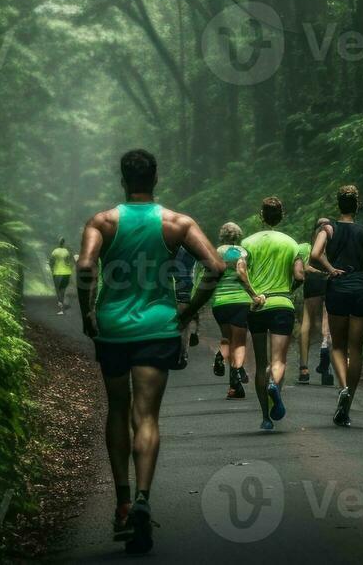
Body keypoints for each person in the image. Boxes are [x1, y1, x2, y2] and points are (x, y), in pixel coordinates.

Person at [77, 149, 222, 553]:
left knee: (118, 409)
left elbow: (86, 266)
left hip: (112, 329)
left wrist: (89, 311)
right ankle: (143, 497)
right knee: (147, 417)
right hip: (158, 328)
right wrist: (189, 309)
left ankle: (122, 504)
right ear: (155, 177)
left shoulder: (102, 222)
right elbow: (215, 266)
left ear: (122, 179)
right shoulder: (177, 223)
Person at [313, 185, 363, 426]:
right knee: (356, 350)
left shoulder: (328, 228)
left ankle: (342, 387)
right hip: (362, 288)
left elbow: (314, 254)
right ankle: (348, 401)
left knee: (337, 346)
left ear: (338, 205)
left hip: (339, 288)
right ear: (357, 206)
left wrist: (330, 269)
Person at [242, 196, 305, 431]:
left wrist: (252, 293)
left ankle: (265, 417)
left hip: (257, 306)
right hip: (282, 304)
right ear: (282, 216)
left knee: (260, 363)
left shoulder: (247, 242)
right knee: (278, 360)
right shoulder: (291, 244)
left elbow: (241, 271)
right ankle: (275, 387)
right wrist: (288, 291)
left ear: (261, 216)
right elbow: (300, 276)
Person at [200, 221, 265, 398]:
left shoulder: (214, 252)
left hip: (220, 302)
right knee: (240, 343)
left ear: (222, 235)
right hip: (239, 302)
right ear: (238, 235)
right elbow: (241, 273)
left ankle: (225, 366)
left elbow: (206, 276)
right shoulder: (241, 252)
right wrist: (253, 294)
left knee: (226, 339)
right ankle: (236, 373)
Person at [296, 224, 330, 384]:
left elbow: (300, 271)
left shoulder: (304, 248)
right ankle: (326, 366)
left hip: (313, 286)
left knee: (307, 324)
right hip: (331, 285)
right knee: (326, 325)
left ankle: (304, 367)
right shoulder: (332, 246)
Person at [49, 238, 74, 314]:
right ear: (64, 243)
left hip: (57, 273)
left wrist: (51, 268)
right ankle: (62, 307)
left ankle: (61, 308)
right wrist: (70, 267)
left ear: (58, 243)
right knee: (63, 289)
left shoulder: (55, 251)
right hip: (67, 273)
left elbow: (51, 261)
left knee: (58, 289)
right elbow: (70, 261)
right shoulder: (66, 251)